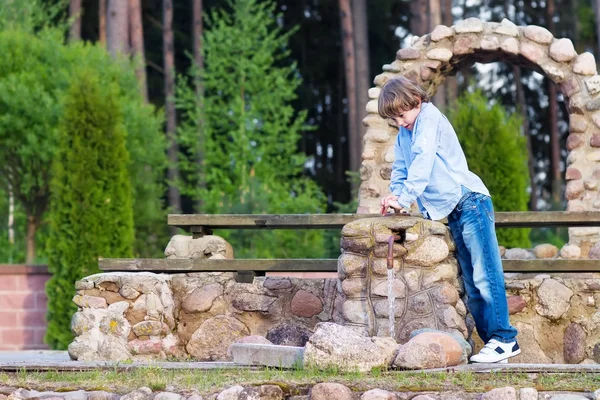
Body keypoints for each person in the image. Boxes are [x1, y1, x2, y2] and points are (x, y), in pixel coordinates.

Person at [377, 76, 520, 364]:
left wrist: (405, 198)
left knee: (485, 273)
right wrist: (395, 199)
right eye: (393, 120)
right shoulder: (405, 133)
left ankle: (505, 338)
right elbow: (402, 169)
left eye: (402, 116)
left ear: (415, 102)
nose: (399, 123)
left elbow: (423, 163)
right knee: (471, 279)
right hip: (454, 208)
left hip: (470, 201)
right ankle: (495, 344)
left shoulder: (429, 119)